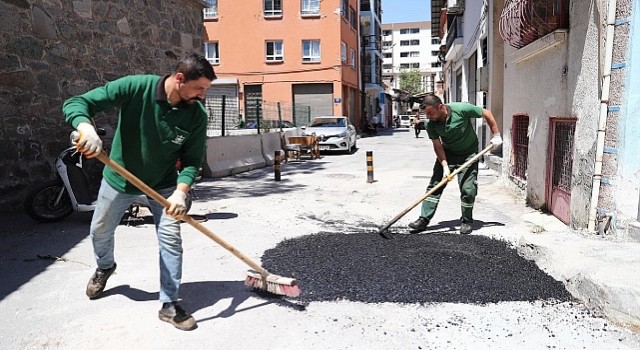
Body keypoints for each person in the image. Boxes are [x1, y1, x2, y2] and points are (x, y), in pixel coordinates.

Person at [63, 53, 216, 331]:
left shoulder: (196, 114)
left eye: (206, 89)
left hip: (164, 185)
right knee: (100, 230)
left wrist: (181, 193)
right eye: (199, 88)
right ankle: (105, 266)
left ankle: (169, 303)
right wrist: (86, 127)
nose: (203, 95)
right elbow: (78, 102)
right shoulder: (137, 87)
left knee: (171, 239)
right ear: (180, 79)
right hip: (117, 181)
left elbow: (192, 160)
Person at [408, 94, 502, 235]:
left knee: (468, 189)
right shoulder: (430, 124)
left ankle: (466, 220)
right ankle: (423, 220)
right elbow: (437, 146)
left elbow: (486, 113)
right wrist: (445, 166)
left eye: (430, 113)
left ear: (440, 107)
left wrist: (496, 135)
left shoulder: (461, 109)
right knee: (434, 186)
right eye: (425, 114)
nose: (428, 117)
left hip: (469, 153)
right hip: (448, 154)